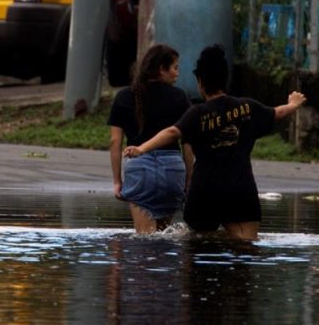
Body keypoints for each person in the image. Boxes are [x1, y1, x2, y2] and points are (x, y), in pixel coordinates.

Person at [124, 44, 305, 240]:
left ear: (200, 82)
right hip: (240, 192)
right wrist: (293, 103)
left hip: (204, 193)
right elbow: (278, 112)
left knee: (199, 248)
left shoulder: (197, 113)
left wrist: (142, 148)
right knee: (245, 244)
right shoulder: (247, 107)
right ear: (225, 79)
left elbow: (172, 132)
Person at [108, 43, 194, 233]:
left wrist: (117, 181)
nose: (177, 73)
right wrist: (189, 178)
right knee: (165, 236)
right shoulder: (180, 97)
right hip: (172, 169)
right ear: (161, 70)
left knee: (144, 240)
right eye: (175, 67)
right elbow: (188, 144)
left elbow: (115, 142)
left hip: (139, 170)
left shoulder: (124, 96)